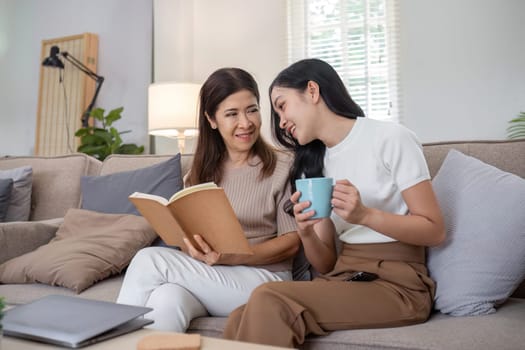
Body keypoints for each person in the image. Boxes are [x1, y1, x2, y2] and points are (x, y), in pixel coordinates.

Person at [223, 58, 446, 348]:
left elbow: (435, 230)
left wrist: (364, 215)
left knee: (269, 297)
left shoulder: (391, 138)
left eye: (282, 105)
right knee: (241, 315)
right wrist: (305, 232)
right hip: (345, 277)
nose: (281, 121)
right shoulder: (312, 165)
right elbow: (326, 263)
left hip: (399, 285)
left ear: (312, 91)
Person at [117, 67, 301, 332]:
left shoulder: (283, 166)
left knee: (149, 260)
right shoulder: (199, 174)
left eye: (252, 109)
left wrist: (233, 257)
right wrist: (189, 246)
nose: (246, 122)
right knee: (166, 299)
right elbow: (191, 243)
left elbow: (291, 243)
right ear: (211, 120)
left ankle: (108, 341)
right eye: (231, 114)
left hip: (265, 280)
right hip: (212, 278)